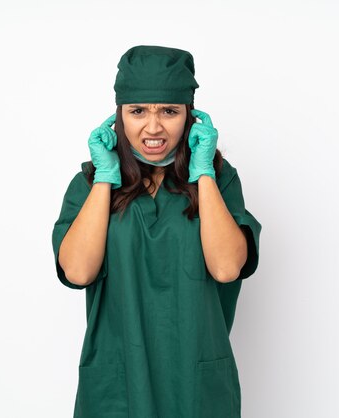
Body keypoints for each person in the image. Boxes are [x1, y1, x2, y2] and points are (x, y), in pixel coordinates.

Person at [52, 45, 261, 418]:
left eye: (169, 111)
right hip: (117, 388)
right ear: (118, 117)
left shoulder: (219, 181)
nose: (153, 127)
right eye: (137, 111)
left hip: (196, 386)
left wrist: (204, 174)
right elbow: (78, 271)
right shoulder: (88, 186)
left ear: (190, 116)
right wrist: (104, 179)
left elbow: (227, 267)